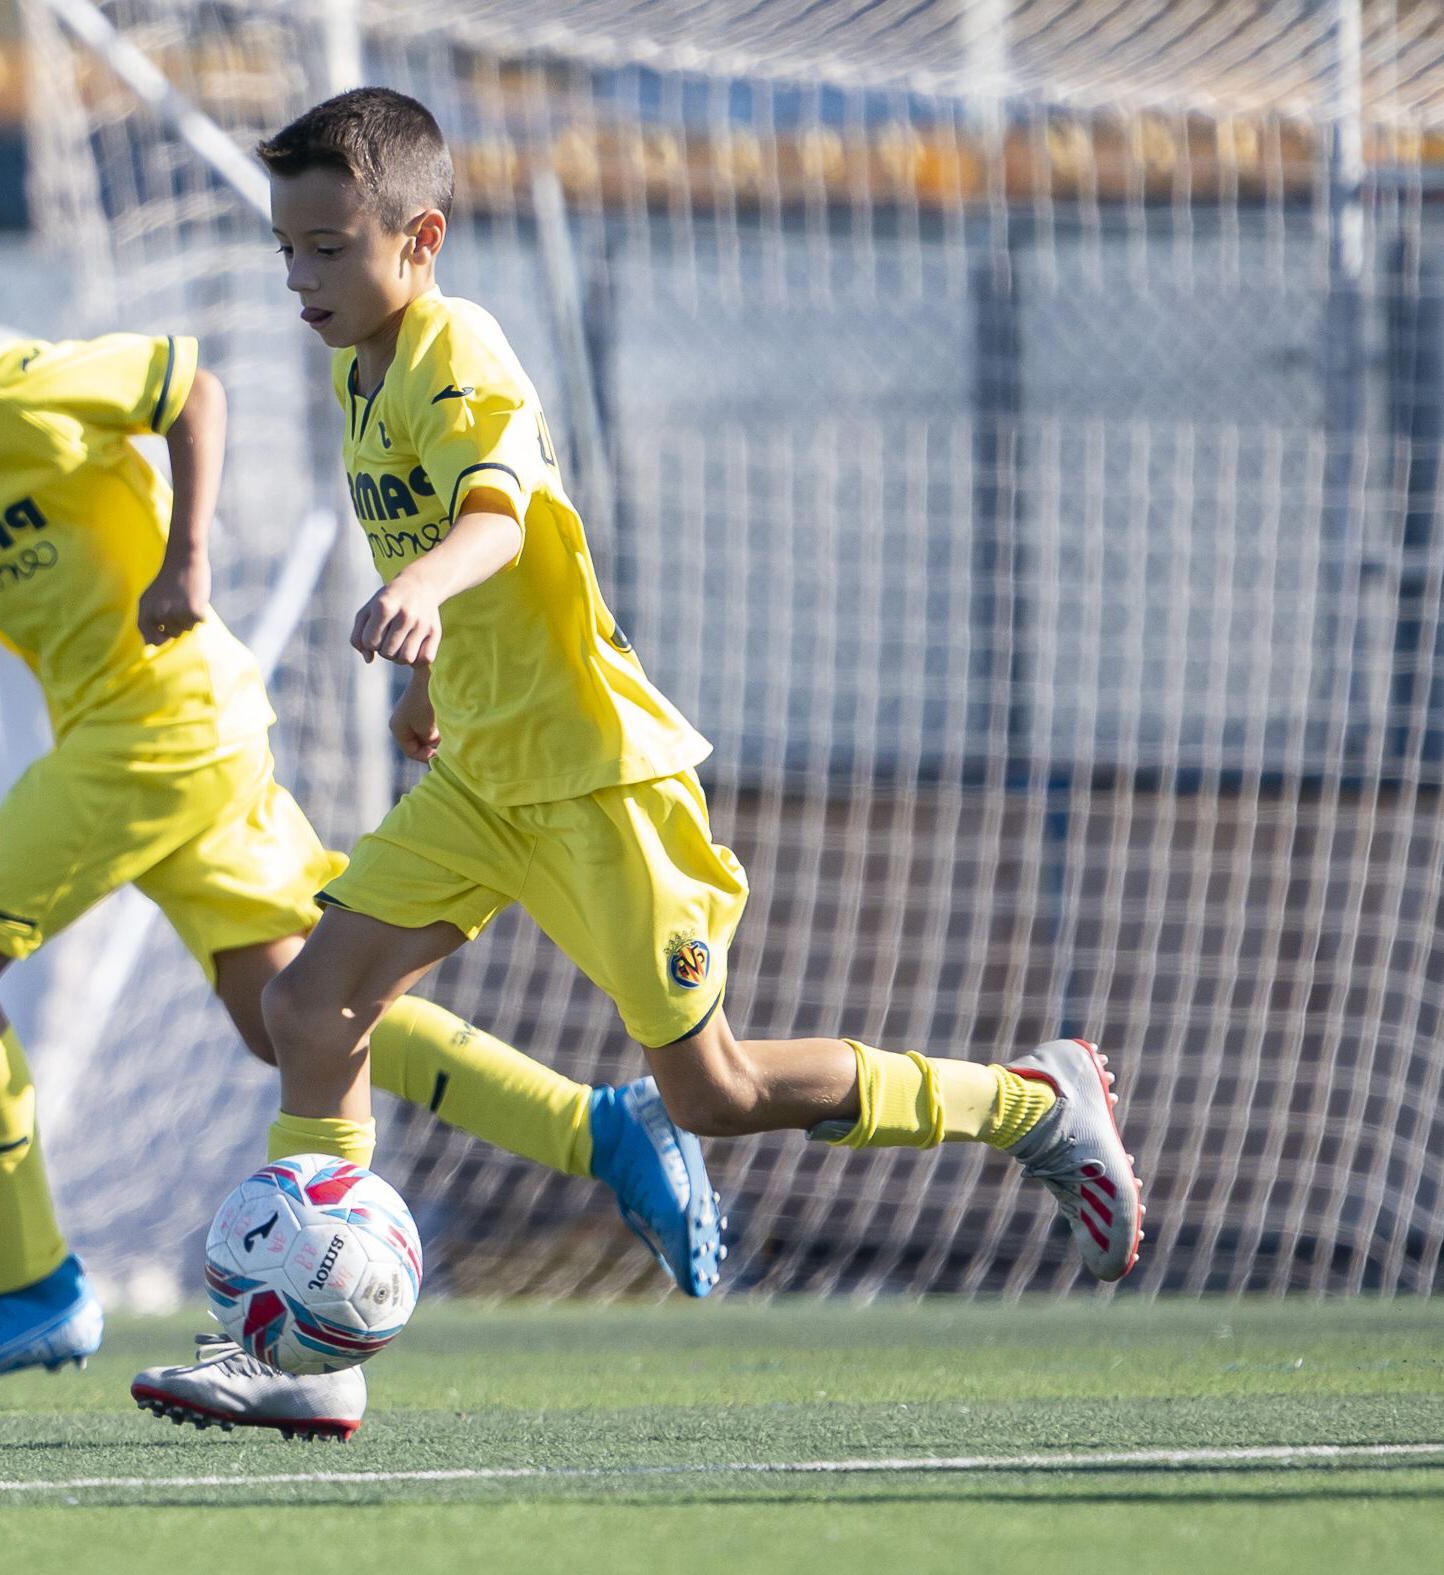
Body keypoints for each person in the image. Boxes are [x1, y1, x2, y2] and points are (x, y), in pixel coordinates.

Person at [0, 152, 727, 1436]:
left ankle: (25, 1284)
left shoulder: (9, 385)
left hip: (157, 718)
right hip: (160, 737)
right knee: (288, 1018)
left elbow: (191, 388)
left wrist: (187, 558)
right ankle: (601, 1130)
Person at [250, 88, 1143, 1295]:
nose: (300, 277)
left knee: (713, 1092)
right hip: (481, 779)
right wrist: (428, 678)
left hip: (591, 780)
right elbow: (453, 562)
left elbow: (495, 517)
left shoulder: (452, 344)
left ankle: (1025, 1104)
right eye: (286, 249)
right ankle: (309, 1335)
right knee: (309, 1007)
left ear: (420, 241)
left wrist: (425, 591)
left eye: (328, 247)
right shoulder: (359, 377)